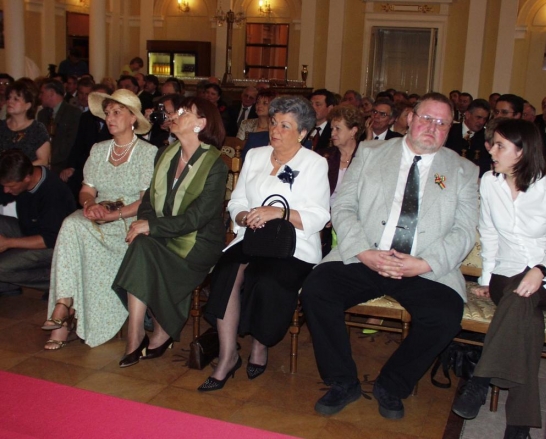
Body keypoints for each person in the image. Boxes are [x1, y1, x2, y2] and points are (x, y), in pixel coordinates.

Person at [300, 92, 478, 419]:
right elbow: (344, 206)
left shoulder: (463, 170)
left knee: (444, 315)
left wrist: (424, 263)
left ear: (450, 128)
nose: (432, 127)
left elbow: (464, 230)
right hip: (366, 254)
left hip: (424, 265)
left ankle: (393, 385)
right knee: (317, 290)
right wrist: (363, 251)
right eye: (426, 118)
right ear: (410, 119)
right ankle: (342, 381)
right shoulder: (370, 153)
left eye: (442, 123)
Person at [199, 95, 330, 391]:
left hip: (294, 245)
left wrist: (278, 213)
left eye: (285, 126)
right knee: (226, 272)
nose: (275, 130)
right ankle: (228, 355)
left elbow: (320, 215)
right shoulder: (255, 155)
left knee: (266, 279)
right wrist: (244, 217)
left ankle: (260, 344)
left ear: (302, 133)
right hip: (253, 238)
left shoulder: (314, 164)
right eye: (273, 122)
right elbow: (238, 200)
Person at [111, 95, 228, 368]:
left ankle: (153, 332)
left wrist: (152, 226)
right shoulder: (165, 154)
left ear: (201, 123)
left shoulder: (215, 165)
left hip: (198, 243)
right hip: (165, 234)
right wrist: (145, 223)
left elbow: (198, 218)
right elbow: (149, 201)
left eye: (184, 112)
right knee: (141, 245)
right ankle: (137, 333)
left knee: (143, 246)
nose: (174, 115)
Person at [452, 119, 546, 439]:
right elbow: (489, 233)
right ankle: (517, 428)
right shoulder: (489, 182)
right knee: (520, 304)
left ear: (522, 152)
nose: (490, 151)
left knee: (524, 316)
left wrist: (541, 269)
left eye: (499, 146)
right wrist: (485, 277)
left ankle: (480, 381)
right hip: (505, 276)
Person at [42, 89, 156, 350]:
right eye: (107, 113)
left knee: (74, 229)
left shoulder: (147, 152)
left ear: (133, 118)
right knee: (71, 224)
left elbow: (145, 202)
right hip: (97, 215)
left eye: (117, 112)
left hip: (127, 220)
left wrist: (113, 214)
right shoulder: (98, 149)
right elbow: (86, 190)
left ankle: (63, 317)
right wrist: (89, 204)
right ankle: (63, 303)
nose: (110, 118)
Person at [0, 150, 75, 296]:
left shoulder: (52, 192)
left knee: (1, 268)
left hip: (56, 245)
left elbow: (50, 238)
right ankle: (6, 285)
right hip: (29, 230)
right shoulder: (20, 177)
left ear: (27, 178)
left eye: (10, 186)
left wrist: (8, 243)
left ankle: (59, 282)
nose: (6, 190)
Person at [317, 104, 364, 256]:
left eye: (338, 129)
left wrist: (339, 216)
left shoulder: (366, 157)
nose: (333, 133)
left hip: (354, 218)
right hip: (324, 217)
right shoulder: (324, 156)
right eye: (332, 129)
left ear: (353, 131)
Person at [0, 81, 50, 166]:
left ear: (28, 105)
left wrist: (18, 170)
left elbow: (43, 161)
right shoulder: (1, 126)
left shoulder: (37, 129)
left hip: (27, 173)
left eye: (16, 99)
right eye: (9, 98)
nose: (10, 101)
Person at [237, 88, 278, 159]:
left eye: (265, 103)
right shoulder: (246, 124)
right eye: (258, 102)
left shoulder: (277, 127)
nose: (259, 106)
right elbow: (238, 146)